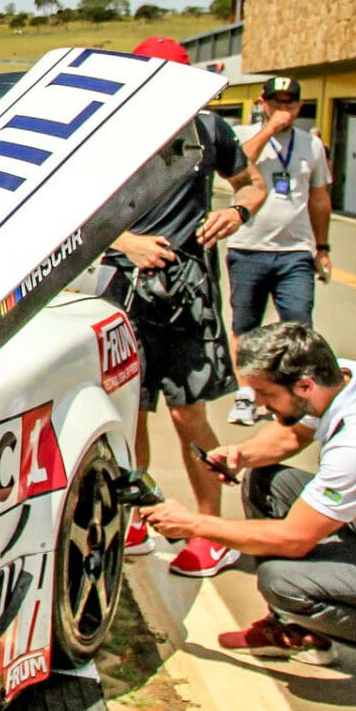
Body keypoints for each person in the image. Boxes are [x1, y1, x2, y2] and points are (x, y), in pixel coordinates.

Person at [141, 323, 356, 711]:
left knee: (282, 581)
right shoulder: (347, 377)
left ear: (303, 386)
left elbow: (293, 538)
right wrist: (241, 454)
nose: (261, 406)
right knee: (266, 481)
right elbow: (289, 437)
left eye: (267, 395)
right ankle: (300, 631)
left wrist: (195, 525)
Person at [106, 38, 268, 577]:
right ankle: (138, 517)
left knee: (187, 412)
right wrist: (127, 243)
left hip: (187, 290)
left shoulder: (211, 129)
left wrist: (239, 211)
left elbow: (253, 183)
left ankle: (209, 530)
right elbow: (78, 210)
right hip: (125, 287)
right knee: (132, 411)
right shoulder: (112, 129)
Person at [226, 75, 334, 426]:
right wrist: (269, 129)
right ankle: (246, 395)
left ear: (300, 107)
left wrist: (322, 247)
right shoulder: (243, 136)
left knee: (299, 324)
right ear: (262, 102)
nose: (283, 109)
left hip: (295, 251)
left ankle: (295, 398)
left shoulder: (311, 145)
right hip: (248, 246)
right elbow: (238, 167)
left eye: (290, 103)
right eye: (276, 102)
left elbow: (319, 199)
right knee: (245, 325)